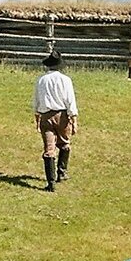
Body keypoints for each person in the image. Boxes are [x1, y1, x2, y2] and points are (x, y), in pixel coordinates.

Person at [32, 50, 78, 192]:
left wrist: (37, 117)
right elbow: (70, 100)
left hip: (46, 116)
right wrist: (74, 118)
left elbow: (36, 100)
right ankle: (61, 172)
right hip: (62, 115)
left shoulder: (41, 80)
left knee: (49, 149)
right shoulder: (66, 80)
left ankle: (51, 183)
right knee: (64, 143)